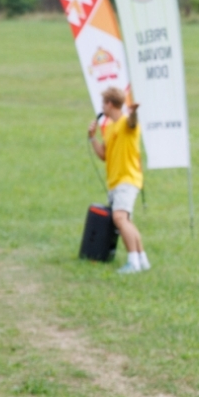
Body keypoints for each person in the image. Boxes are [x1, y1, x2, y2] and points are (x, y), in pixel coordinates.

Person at [88, 87, 149, 274]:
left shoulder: (126, 123)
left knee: (119, 219)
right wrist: (92, 138)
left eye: (103, 104)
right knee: (126, 221)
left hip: (127, 178)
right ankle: (142, 259)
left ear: (109, 104)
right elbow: (104, 155)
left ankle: (133, 263)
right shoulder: (110, 127)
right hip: (115, 181)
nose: (101, 108)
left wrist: (134, 113)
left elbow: (132, 123)